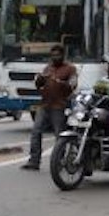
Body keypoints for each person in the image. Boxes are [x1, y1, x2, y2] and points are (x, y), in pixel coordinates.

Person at [21, 43, 77, 171]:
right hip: (45, 105)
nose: (55, 57)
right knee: (36, 131)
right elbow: (38, 85)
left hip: (59, 106)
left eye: (58, 55)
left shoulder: (70, 68)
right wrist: (40, 79)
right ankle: (34, 160)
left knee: (59, 135)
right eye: (53, 55)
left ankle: (59, 161)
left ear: (63, 55)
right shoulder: (48, 68)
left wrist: (60, 82)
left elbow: (73, 85)